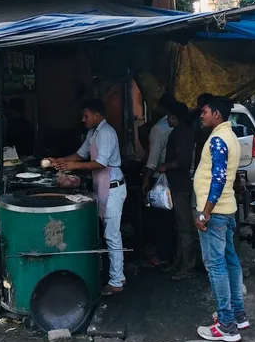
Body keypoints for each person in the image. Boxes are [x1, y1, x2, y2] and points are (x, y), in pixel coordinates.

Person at [48, 99, 127, 295]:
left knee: (112, 235)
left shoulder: (107, 133)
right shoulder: (93, 133)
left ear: (98, 115)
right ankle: (115, 275)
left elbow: (100, 163)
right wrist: (58, 161)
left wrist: (72, 167)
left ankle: (117, 281)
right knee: (108, 233)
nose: (83, 119)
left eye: (86, 115)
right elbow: (80, 154)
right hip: (103, 187)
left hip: (113, 188)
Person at [194, 96, 247, 342]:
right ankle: (238, 314)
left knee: (216, 266)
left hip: (215, 213)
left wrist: (204, 213)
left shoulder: (217, 139)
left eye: (204, 111)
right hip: (227, 210)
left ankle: (226, 325)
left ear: (216, 113)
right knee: (230, 261)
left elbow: (218, 180)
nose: (201, 115)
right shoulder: (231, 137)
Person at [156, 101, 197, 280]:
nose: (167, 120)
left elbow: (184, 159)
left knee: (185, 228)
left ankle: (187, 267)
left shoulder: (180, 134)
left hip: (180, 186)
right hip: (178, 185)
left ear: (174, 117)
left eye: (169, 117)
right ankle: (179, 263)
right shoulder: (182, 132)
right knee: (180, 227)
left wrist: (166, 166)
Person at [142, 95, 175, 266]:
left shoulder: (158, 128)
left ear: (163, 108)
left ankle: (162, 256)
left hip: (160, 181)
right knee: (171, 219)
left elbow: (153, 159)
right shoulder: (178, 127)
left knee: (160, 219)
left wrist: (146, 179)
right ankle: (171, 255)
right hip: (176, 178)